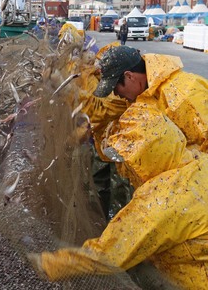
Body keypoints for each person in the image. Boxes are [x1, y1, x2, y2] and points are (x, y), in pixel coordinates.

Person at [28, 97, 208, 288]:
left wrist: (48, 265)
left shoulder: (162, 203)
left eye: (127, 162)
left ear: (147, 155)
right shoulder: (197, 160)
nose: (121, 170)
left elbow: (109, 255)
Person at [93, 45, 208, 151]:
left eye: (115, 89)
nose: (117, 94)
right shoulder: (143, 94)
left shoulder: (182, 96)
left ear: (129, 76)